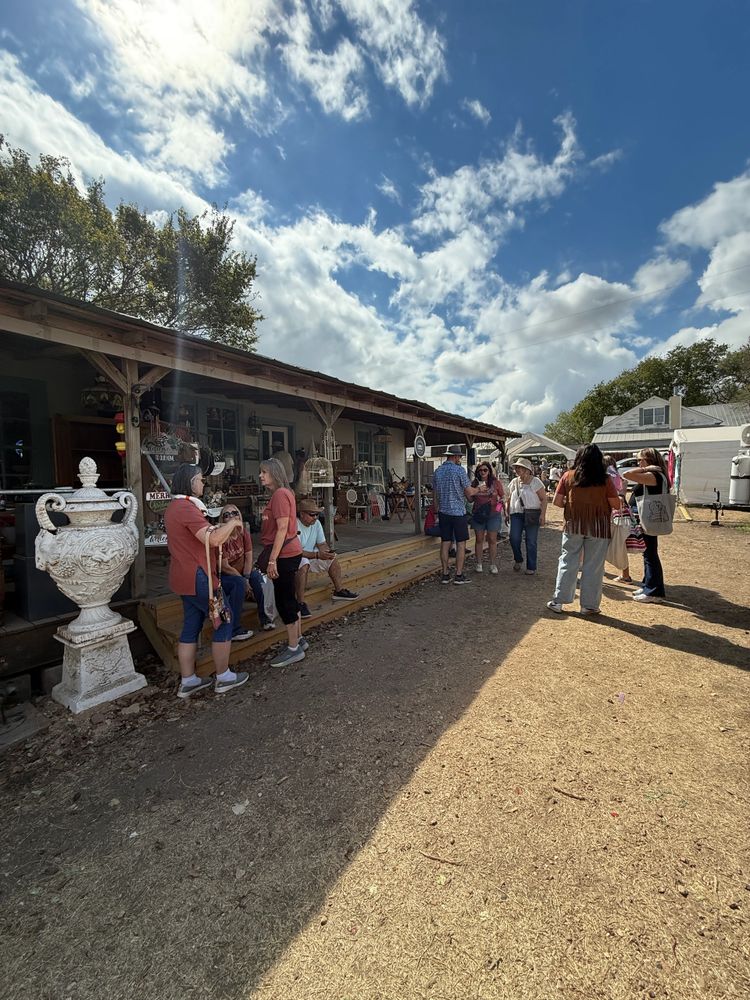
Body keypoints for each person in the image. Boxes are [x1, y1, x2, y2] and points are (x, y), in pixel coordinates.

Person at [164, 464, 250, 699]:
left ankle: (188, 679)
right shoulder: (186, 508)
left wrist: (222, 526)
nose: (204, 483)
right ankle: (223, 676)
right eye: (201, 480)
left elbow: (203, 534)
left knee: (191, 626)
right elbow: (210, 539)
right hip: (199, 575)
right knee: (223, 619)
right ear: (191, 482)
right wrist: (233, 523)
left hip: (183, 577)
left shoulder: (174, 507)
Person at [546, 444, 621, 615]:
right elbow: (615, 504)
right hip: (598, 527)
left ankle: (558, 601)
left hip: (574, 524)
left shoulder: (568, 476)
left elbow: (557, 502)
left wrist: (574, 506)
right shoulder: (605, 479)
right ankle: (589, 606)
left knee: (567, 561)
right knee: (594, 566)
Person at [259, 457, 306, 665]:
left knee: (284, 600)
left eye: (264, 472)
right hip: (291, 551)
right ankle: (298, 638)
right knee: (290, 597)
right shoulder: (285, 493)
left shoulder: (279, 495)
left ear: (274, 474)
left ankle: (293, 648)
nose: (260, 476)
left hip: (284, 554)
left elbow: (281, 529)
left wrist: (272, 560)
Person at [294, 498, 359, 617]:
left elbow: (321, 543)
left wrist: (327, 552)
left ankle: (339, 591)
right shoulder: (294, 525)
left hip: (311, 555)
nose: (315, 517)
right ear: (302, 514)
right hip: (296, 557)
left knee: (332, 558)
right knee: (303, 563)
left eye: (317, 514)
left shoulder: (316, 524)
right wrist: (318, 555)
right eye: (312, 514)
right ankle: (300, 603)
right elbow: (296, 552)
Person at [621, 448, 670, 603]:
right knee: (648, 553)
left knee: (650, 555)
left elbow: (627, 474)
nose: (638, 463)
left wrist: (644, 469)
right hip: (646, 518)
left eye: (640, 460)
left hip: (647, 518)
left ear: (649, 460)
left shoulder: (652, 475)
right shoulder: (656, 474)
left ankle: (654, 591)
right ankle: (648, 585)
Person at [219, 503, 275, 631]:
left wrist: (247, 577)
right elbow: (225, 567)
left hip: (242, 572)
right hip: (226, 575)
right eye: (227, 515)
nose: (232, 517)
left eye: (235, 513)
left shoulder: (243, 533)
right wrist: (244, 581)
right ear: (223, 520)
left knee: (257, 578)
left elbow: (249, 557)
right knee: (238, 583)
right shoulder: (220, 537)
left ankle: (264, 617)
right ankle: (235, 627)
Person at [432, 444, 481, 585]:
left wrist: (436, 509)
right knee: (461, 544)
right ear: (455, 456)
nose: (460, 459)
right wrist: (479, 489)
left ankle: (445, 574)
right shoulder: (459, 471)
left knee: (445, 542)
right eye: (459, 456)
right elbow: (470, 492)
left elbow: (434, 494)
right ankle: (458, 575)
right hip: (458, 512)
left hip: (443, 512)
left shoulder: (438, 471)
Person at [506, 458, 547, 575]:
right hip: (516, 514)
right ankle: (518, 559)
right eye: (517, 467)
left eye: (520, 468)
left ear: (528, 470)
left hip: (532, 513)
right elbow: (508, 499)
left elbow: (544, 499)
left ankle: (531, 566)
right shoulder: (514, 482)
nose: (518, 469)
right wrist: (507, 511)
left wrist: (543, 514)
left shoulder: (536, 482)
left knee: (531, 541)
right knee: (513, 538)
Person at [469, 462, 504, 574]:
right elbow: (470, 500)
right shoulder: (474, 483)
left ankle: (492, 564)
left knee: (492, 540)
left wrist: (499, 509)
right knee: (479, 539)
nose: (483, 472)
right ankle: (479, 563)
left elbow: (503, 497)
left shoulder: (496, 483)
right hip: (479, 515)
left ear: (489, 471)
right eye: (480, 470)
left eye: (485, 470)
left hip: (493, 515)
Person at [603, 454, 632, 584]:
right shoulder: (619, 478)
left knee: (603, 542)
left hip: (610, 514)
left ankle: (600, 570)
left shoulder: (605, 478)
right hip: (622, 514)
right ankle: (625, 574)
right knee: (620, 544)